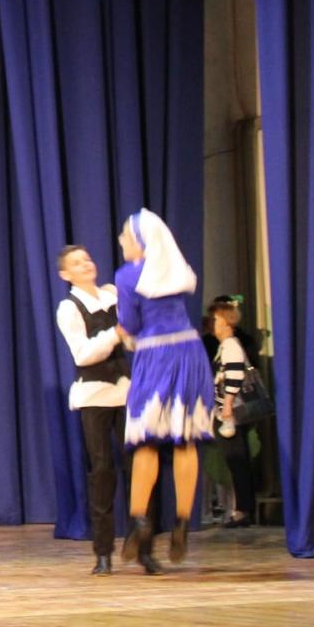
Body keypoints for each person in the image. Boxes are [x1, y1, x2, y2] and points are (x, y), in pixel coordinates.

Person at [115, 209, 214, 570]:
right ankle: (183, 521)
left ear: (141, 241)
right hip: (189, 352)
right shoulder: (174, 268)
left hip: (155, 355)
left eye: (126, 235)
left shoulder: (128, 275)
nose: (121, 240)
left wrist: (124, 333)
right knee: (185, 440)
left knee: (147, 441)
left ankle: (138, 519)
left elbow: (130, 323)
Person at [55, 244, 157, 575]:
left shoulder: (113, 296)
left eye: (87, 258)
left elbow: (133, 339)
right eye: (77, 263)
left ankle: (145, 550)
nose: (86, 264)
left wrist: (132, 329)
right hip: (94, 395)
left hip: (127, 392)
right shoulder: (69, 308)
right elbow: (83, 354)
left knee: (139, 469)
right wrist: (115, 333)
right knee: (102, 472)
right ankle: (103, 553)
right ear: (65, 274)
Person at [211, 296, 258, 529]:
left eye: (216, 319)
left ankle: (242, 510)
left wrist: (227, 405)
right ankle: (243, 508)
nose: (213, 324)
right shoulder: (226, 345)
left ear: (225, 321)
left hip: (231, 413)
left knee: (237, 460)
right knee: (237, 461)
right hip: (229, 411)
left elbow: (235, 375)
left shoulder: (230, 345)